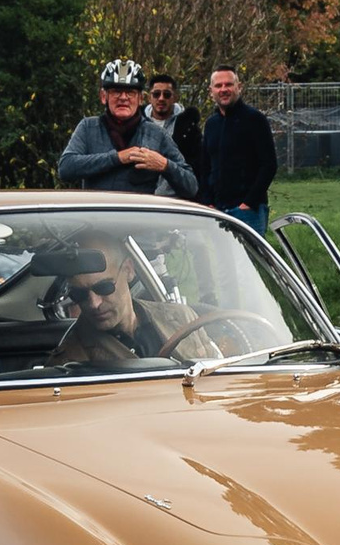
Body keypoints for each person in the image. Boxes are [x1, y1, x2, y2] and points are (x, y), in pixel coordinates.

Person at [59, 60, 199, 195]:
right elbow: (66, 168)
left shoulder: (156, 134)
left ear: (140, 99)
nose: (123, 98)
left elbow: (191, 186)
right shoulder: (88, 127)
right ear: (103, 96)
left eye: (130, 92)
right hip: (97, 215)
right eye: (116, 91)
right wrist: (117, 158)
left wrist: (164, 165)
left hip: (138, 217)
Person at [53, 246, 197, 372]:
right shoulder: (69, 363)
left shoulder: (183, 317)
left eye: (104, 287)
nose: (94, 304)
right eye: (79, 294)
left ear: (128, 270)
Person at [198, 65, 277, 238]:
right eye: (218, 86)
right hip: (217, 211)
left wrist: (248, 203)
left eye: (229, 84)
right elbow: (205, 167)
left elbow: (269, 164)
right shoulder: (211, 124)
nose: (224, 89)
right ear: (211, 91)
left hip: (249, 213)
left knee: (248, 264)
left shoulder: (255, 120)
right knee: (222, 263)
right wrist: (208, 202)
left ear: (238, 87)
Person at [146, 72, 203, 187]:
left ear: (175, 97)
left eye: (167, 94)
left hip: (177, 198)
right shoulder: (138, 124)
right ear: (149, 97)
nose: (161, 98)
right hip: (142, 196)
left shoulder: (188, 129)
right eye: (156, 94)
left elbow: (198, 165)